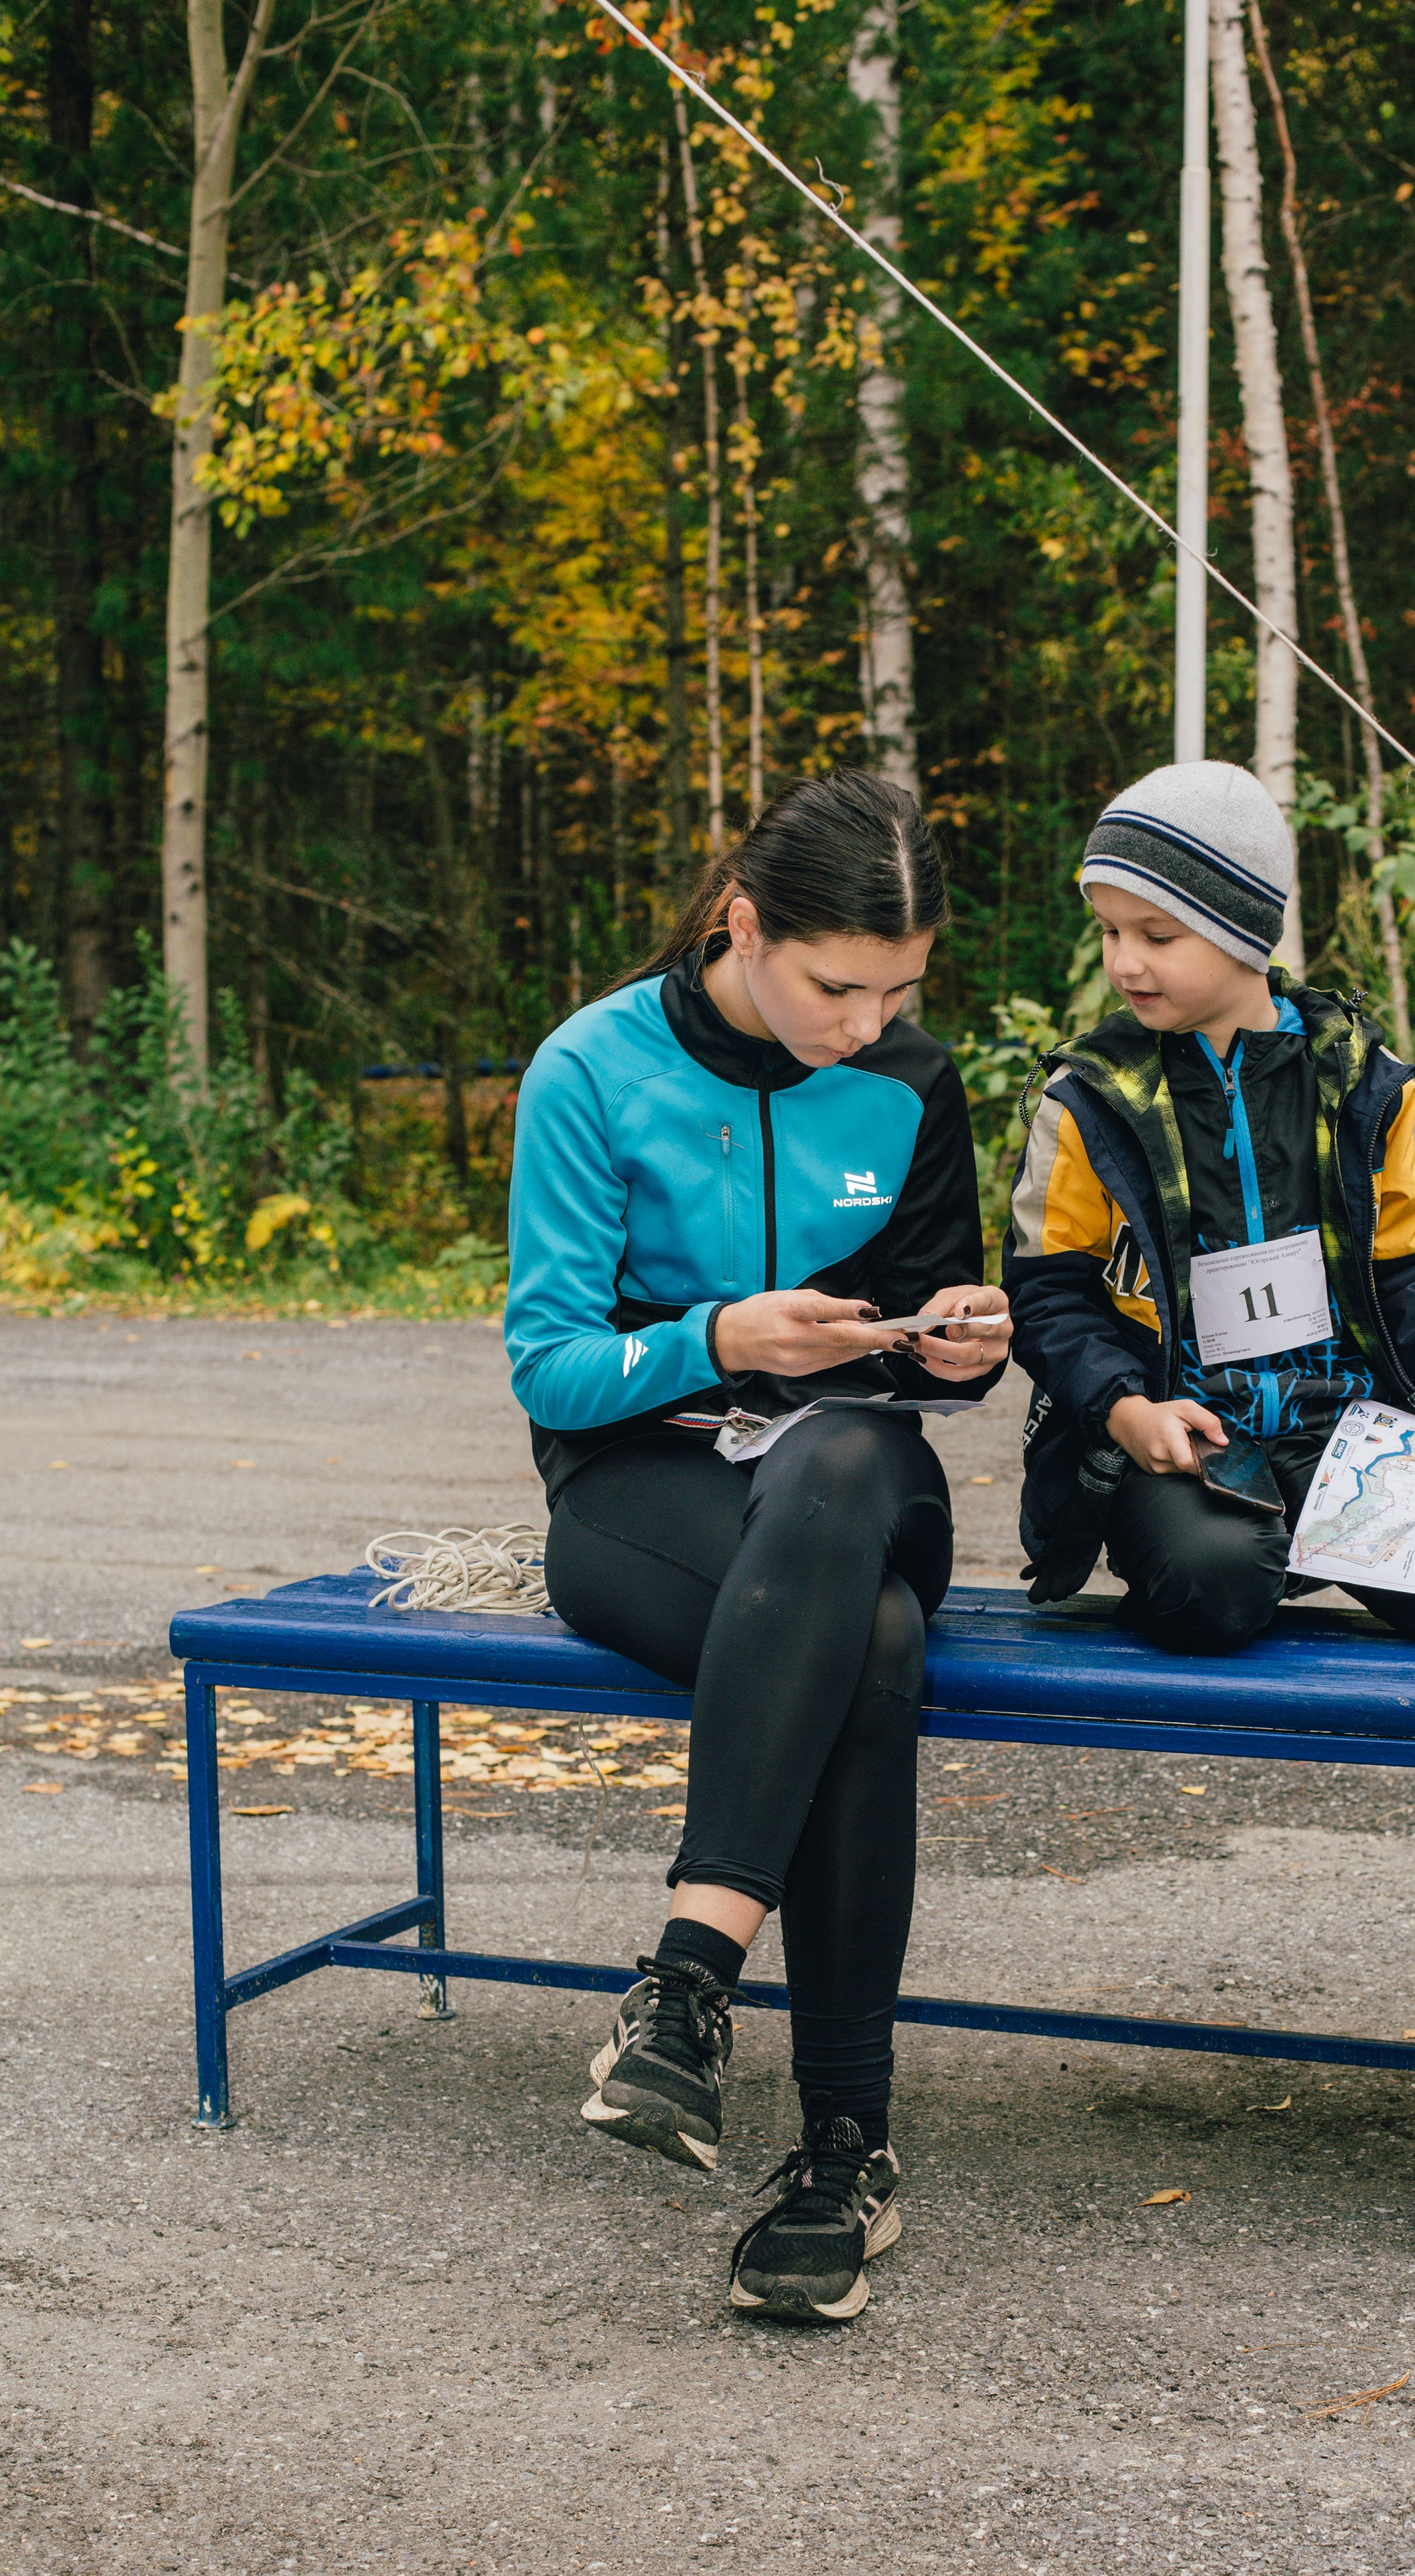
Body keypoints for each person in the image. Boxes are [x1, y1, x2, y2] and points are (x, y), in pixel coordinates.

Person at [504, 770, 1009, 2323]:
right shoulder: (592, 1068)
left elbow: (948, 1331)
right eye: (832, 984)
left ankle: (686, 1985)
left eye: (898, 988)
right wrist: (719, 1335)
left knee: (844, 1454)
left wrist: (966, 1348)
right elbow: (551, 1368)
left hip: (854, 1478)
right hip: (640, 1492)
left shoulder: (911, 1082)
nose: (863, 1024)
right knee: (869, 1645)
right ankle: (845, 2147)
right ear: (743, 926)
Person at [1004, 759, 1415, 1651]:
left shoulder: (1362, 1085)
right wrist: (1123, 1412)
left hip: (1345, 1431)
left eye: (1156, 933)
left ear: (1242, 931)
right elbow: (1046, 1296)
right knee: (1211, 1589)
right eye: (1108, 931)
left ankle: (1305, 1530)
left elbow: (1413, 1270)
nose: (1124, 962)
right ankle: (1246, 1540)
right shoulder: (1089, 1100)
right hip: (1187, 1440)